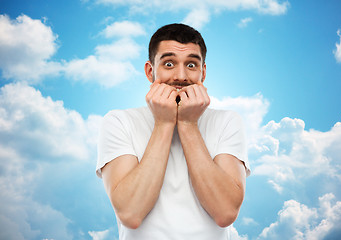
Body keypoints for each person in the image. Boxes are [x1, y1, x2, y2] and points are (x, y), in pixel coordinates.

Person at [96, 23, 250, 240]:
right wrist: (164, 123)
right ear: (151, 71)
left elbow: (225, 213)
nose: (181, 76)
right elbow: (130, 214)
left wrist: (188, 124)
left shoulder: (227, 121)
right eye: (169, 64)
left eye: (191, 65)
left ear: (203, 73)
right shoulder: (119, 121)